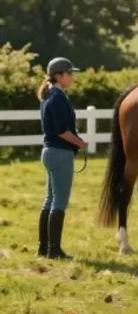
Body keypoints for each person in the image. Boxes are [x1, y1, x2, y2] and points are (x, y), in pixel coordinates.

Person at [38, 57, 88, 260]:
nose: (72, 77)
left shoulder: (50, 95)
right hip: (60, 153)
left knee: (49, 200)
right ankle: (54, 250)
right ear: (59, 75)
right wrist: (79, 143)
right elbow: (61, 130)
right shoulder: (57, 98)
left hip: (50, 152)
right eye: (69, 73)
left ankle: (44, 247)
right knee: (59, 202)